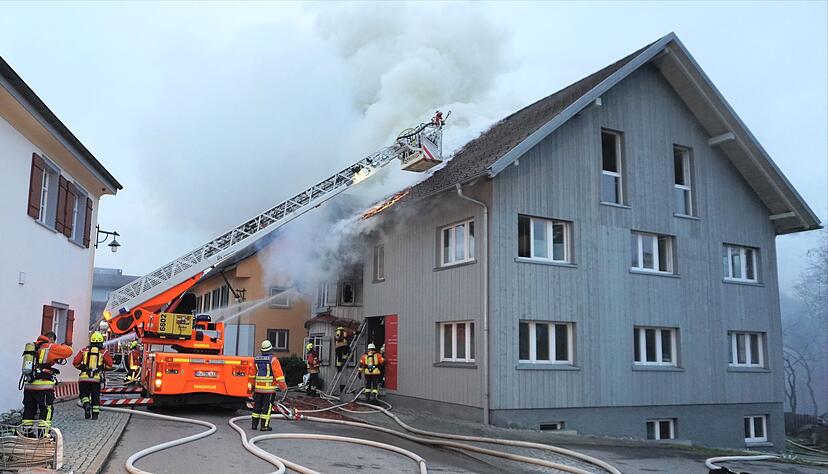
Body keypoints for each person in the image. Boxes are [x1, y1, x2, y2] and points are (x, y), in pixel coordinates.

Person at [21, 331, 73, 435]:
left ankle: (27, 434)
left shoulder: (33, 347)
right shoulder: (49, 347)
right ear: (51, 339)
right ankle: (43, 435)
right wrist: (63, 345)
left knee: (29, 409)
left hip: (29, 385)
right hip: (43, 387)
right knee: (46, 409)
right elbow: (69, 351)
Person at [72, 332, 113, 420]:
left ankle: (86, 405)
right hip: (96, 379)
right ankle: (95, 415)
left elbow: (75, 362)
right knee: (95, 396)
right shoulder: (104, 352)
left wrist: (82, 367)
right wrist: (101, 368)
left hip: (83, 378)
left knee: (84, 395)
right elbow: (110, 365)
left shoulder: (83, 351)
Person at [251, 340, 287, 432]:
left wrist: (252, 387)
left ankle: (254, 425)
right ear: (271, 349)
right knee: (267, 408)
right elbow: (279, 376)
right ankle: (264, 426)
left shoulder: (256, 359)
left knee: (257, 406)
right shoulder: (273, 360)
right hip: (269, 390)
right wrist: (283, 387)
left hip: (258, 389)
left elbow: (252, 375)